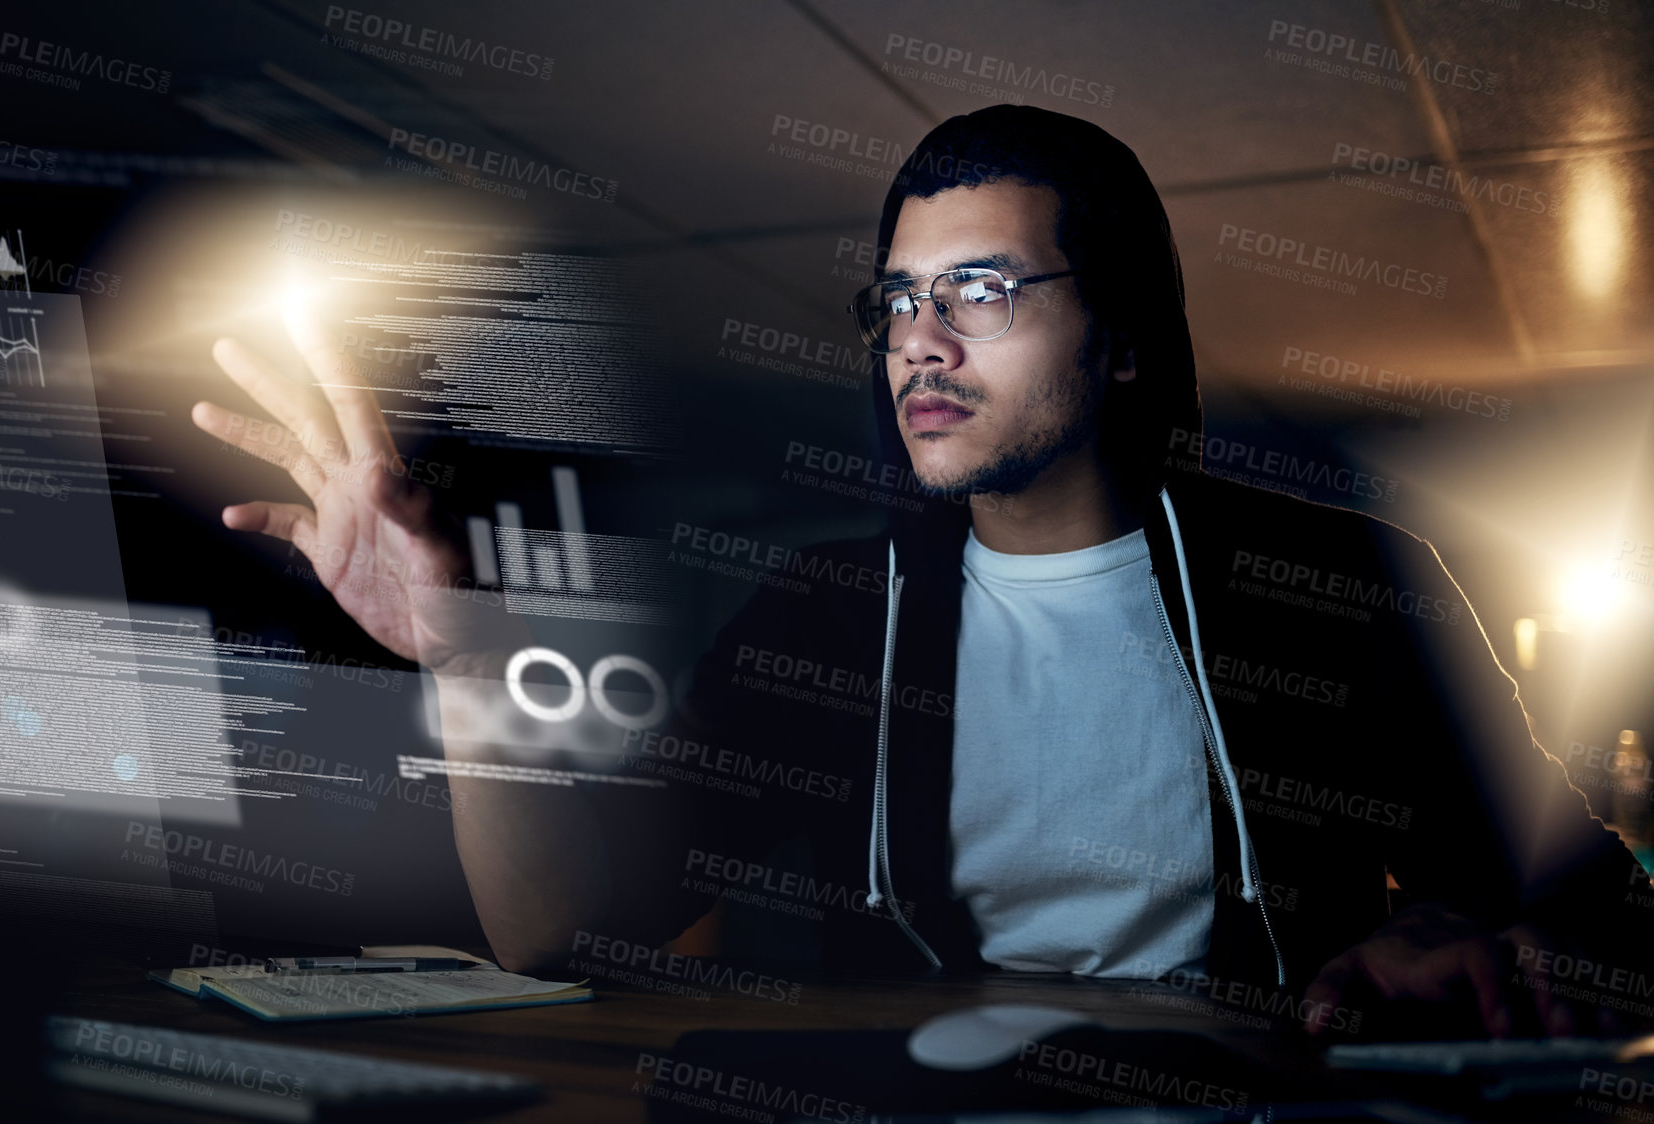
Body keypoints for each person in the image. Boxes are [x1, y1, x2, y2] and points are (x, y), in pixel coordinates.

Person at [195, 105, 1652, 1038]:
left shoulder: (1338, 581)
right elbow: (555, 927)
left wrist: (1459, 931)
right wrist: (463, 658)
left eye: (984, 291)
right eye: (898, 299)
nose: (920, 343)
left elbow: (1601, 912)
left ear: (1126, 338)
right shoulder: (829, 612)